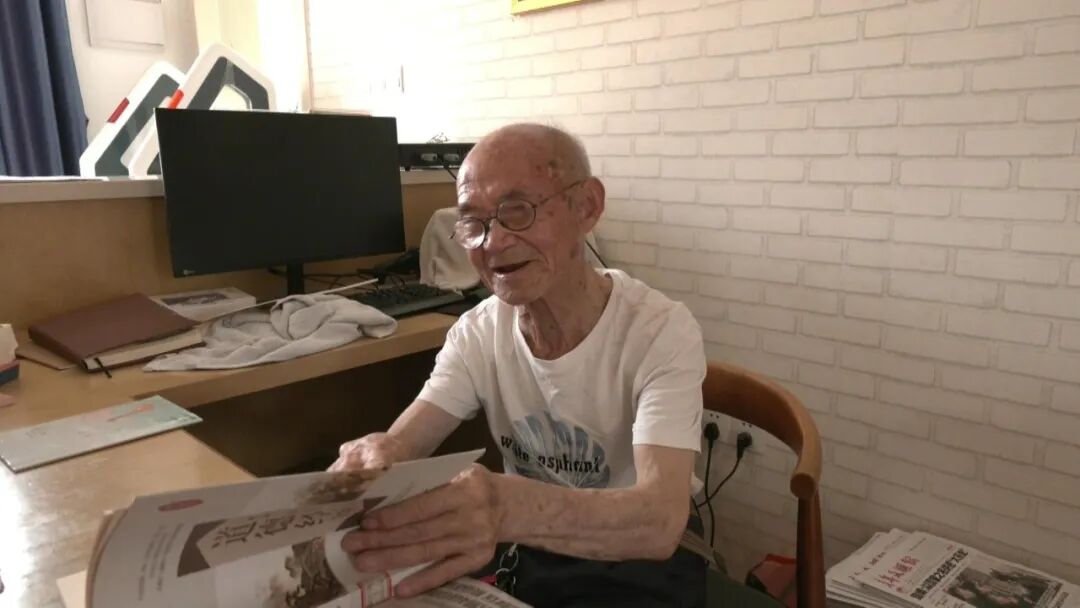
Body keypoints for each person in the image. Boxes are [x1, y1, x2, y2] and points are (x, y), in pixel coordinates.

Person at [330, 123, 708, 606]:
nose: (492, 242)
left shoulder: (660, 330)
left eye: (518, 211)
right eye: (474, 222)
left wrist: (503, 506)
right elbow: (406, 441)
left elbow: (659, 519)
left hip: (638, 553)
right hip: (533, 545)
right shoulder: (477, 332)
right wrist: (380, 453)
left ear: (587, 206)